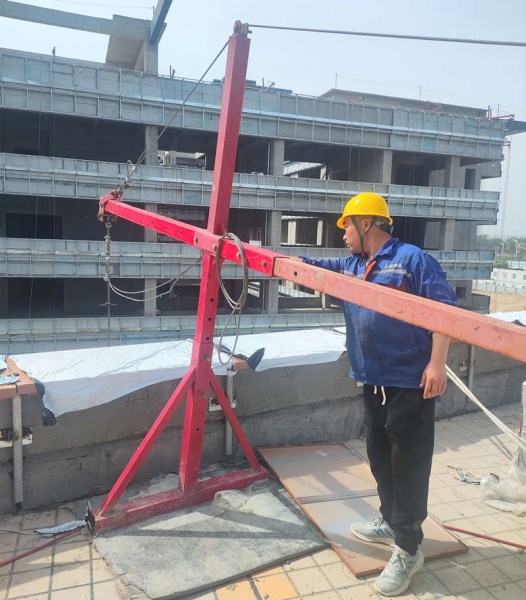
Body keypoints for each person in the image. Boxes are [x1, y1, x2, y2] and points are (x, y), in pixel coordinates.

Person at [299, 192, 458, 597]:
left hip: (409, 382)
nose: (343, 236)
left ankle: (408, 548)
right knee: (380, 457)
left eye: (346, 227)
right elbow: (310, 267)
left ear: (366, 223)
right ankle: (390, 521)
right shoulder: (352, 266)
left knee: (408, 464)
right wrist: (265, 258)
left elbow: (446, 312)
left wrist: (437, 364)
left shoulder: (412, 260)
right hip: (372, 380)